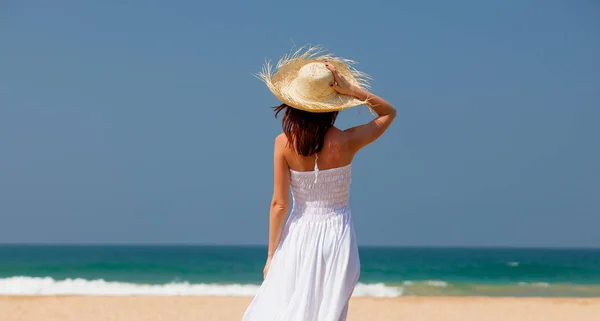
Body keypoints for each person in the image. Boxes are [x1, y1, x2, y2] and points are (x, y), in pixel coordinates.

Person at [242, 46, 396, 321]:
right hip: (337, 234)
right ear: (332, 105)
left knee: (287, 308)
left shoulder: (283, 144)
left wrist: (270, 256)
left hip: (299, 233)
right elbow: (388, 114)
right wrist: (352, 90)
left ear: (294, 103)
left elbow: (279, 204)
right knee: (328, 312)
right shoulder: (347, 141)